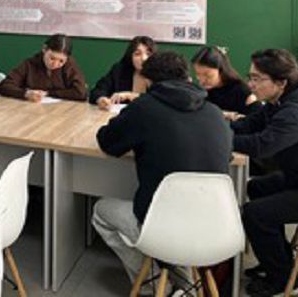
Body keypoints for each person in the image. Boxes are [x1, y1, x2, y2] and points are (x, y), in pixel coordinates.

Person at [92, 51, 232, 289]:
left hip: (163, 226)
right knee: (181, 217)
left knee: (101, 211)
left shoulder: (144, 108)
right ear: (187, 77)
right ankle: (186, 286)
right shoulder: (215, 113)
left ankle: (158, 288)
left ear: (148, 82)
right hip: (218, 226)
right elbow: (225, 156)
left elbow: (107, 141)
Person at [233, 49, 298, 297]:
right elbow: (251, 123)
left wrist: (218, 139)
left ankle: (285, 280)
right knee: (255, 188)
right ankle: (278, 261)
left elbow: (261, 146)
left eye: (257, 79)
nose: (250, 84)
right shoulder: (284, 97)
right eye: (250, 77)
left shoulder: (296, 112)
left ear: (281, 82)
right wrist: (217, 126)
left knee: (256, 214)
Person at [0, 33, 86, 101]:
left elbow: (80, 93)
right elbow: (5, 85)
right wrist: (25, 93)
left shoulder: (69, 66)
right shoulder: (29, 64)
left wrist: (48, 93)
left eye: (61, 61)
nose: (55, 64)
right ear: (44, 49)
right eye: (52, 58)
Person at [191, 45, 259, 119]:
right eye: (198, 74)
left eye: (208, 75)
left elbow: (256, 119)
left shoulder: (241, 91)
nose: (202, 80)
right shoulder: (201, 91)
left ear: (221, 70)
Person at [90, 36, 156, 107]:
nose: (144, 58)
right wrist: (101, 99)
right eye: (137, 54)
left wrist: (130, 95)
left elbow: (159, 99)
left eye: (148, 54)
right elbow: (97, 91)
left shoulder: (160, 73)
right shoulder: (119, 70)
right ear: (130, 57)